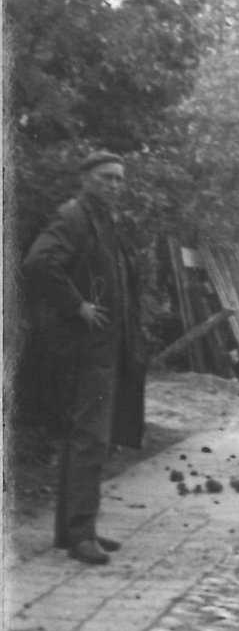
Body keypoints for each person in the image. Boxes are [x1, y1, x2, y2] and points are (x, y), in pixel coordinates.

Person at [23, 151, 147, 565]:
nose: (114, 186)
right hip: (83, 349)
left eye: (119, 180)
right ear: (86, 180)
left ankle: (74, 530)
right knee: (90, 438)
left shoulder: (103, 221)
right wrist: (77, 305)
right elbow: (39, 263)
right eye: (106, 178)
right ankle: (80, 536)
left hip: (106, 348)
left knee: (89, 438)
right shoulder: (73, 217)